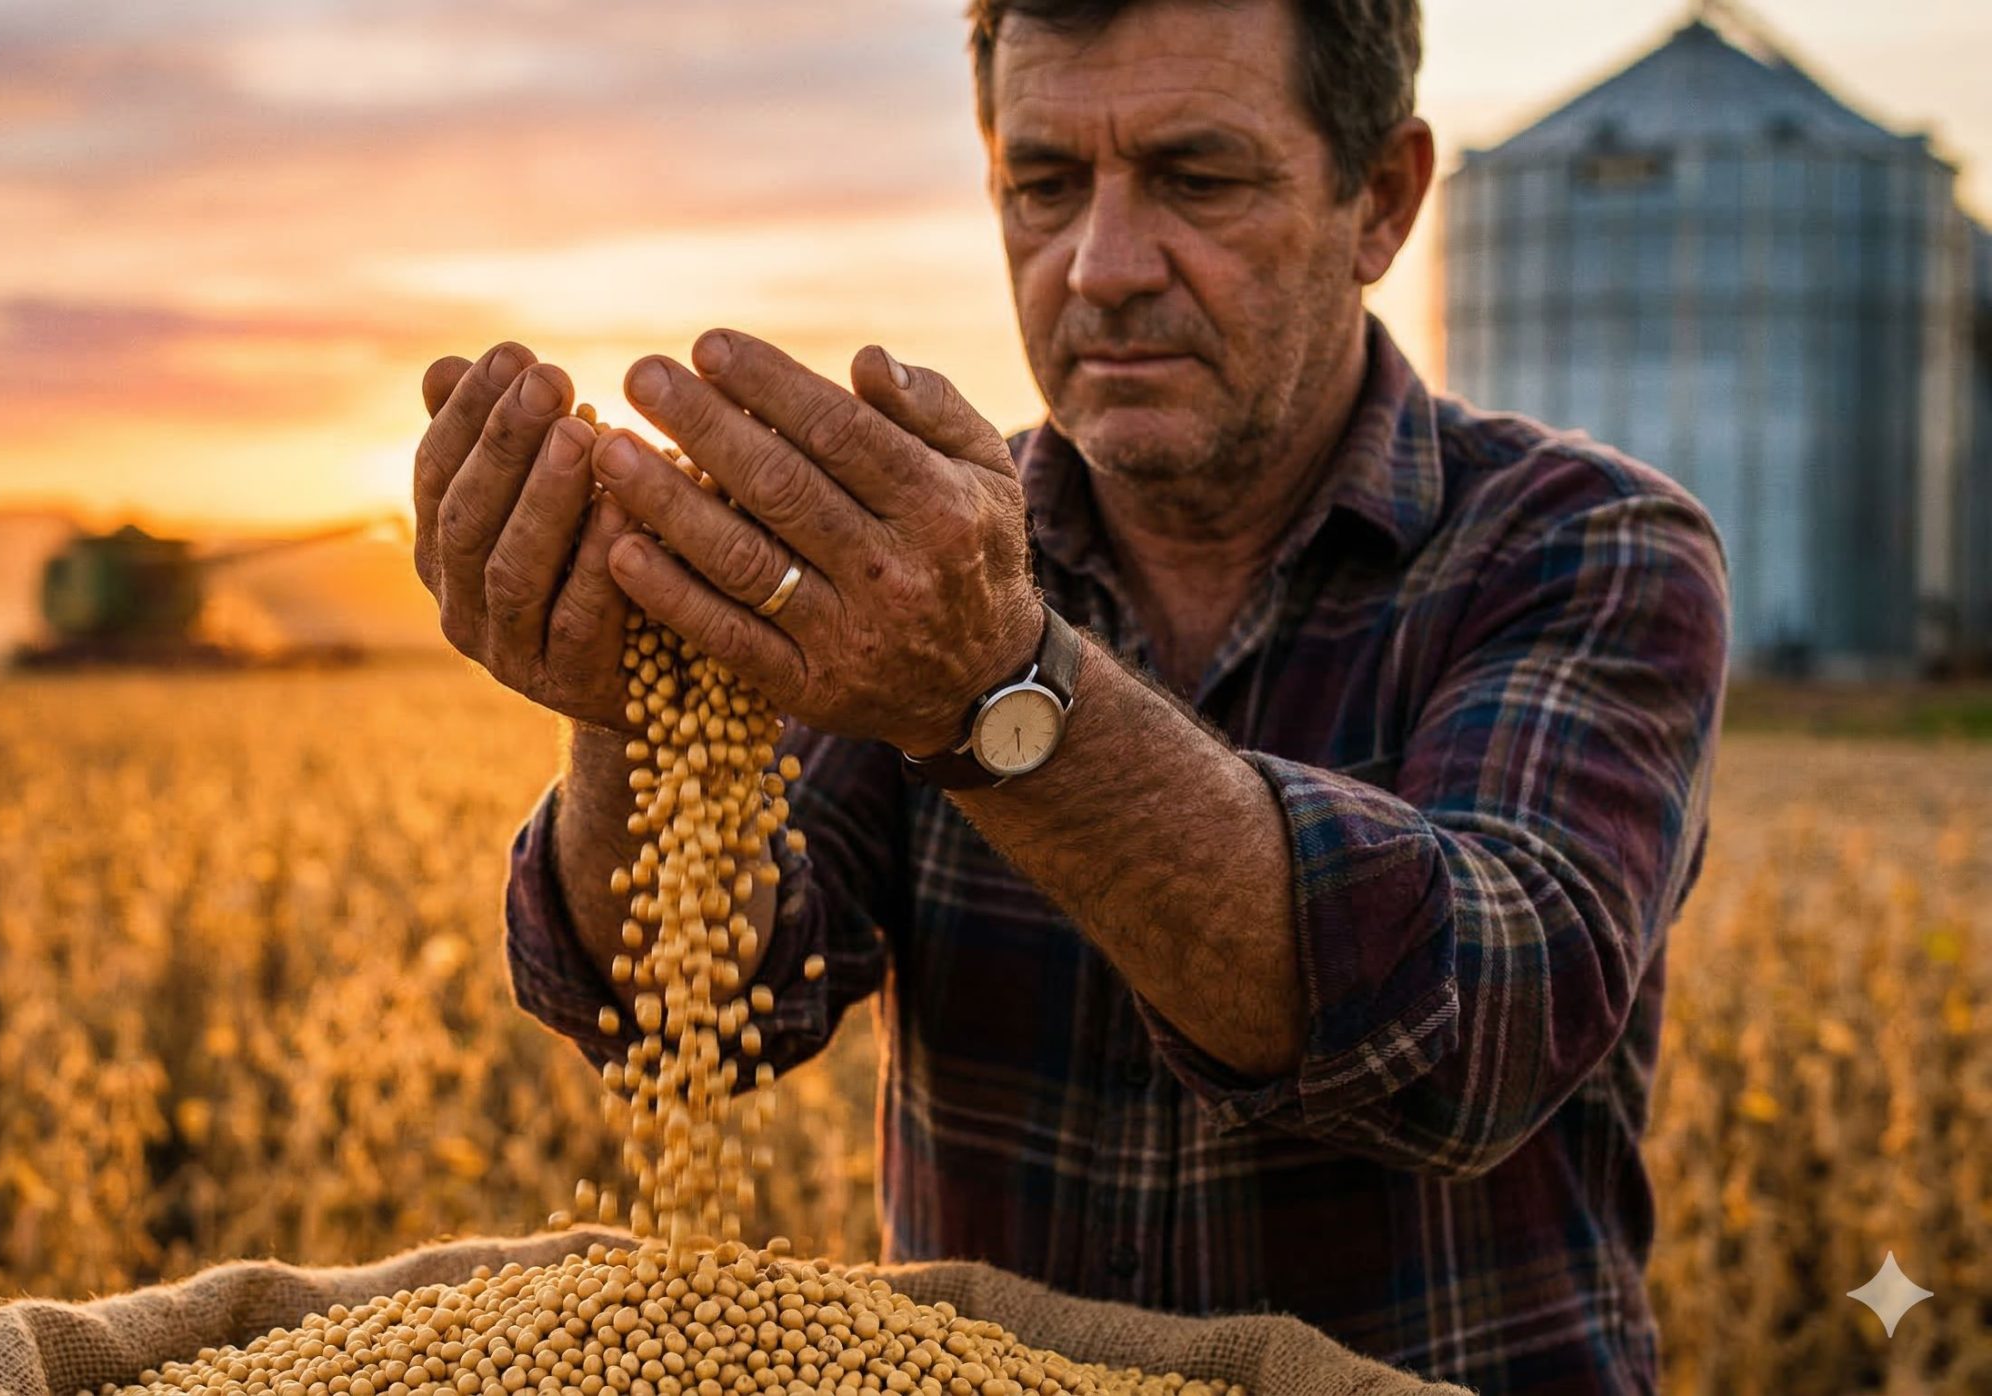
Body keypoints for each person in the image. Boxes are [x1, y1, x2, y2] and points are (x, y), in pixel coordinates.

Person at [407, 1, 1728, 1391]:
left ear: (1381, 200)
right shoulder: (928, 557)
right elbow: (715, 1000)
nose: (1101, 268)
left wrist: (998, 693)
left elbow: (1478, 1035)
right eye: (1043, 185)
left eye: (1196, 178)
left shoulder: (1583, 542)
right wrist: (626, 706)